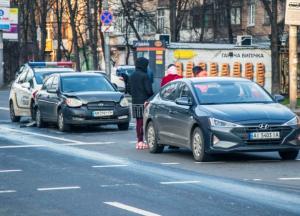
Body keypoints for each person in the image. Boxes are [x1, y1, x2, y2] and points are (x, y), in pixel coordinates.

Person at [128, 57, 153, 150]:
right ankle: (144, 141)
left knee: (138, 122)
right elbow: (149, 90)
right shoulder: (144, 76)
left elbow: (129, 90)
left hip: (135, 101)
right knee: (145, 121)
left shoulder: (132, 76)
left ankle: (139, 141)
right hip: (144, 101)